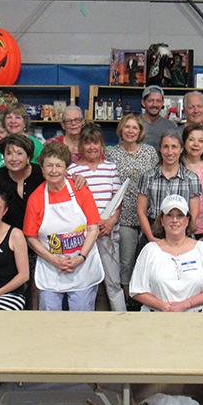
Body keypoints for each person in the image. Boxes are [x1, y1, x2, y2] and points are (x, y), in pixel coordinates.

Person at [23, 142, 105, 311]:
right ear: (42, 169)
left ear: (66, 168)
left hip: (82, 267)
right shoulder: (36, 198)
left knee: (81, 320)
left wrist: (80, 257)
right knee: (50, 320)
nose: (54, 170)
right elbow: (30, 237)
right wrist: (54, 260)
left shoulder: (80, 189)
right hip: (51, 270)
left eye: (58, 165)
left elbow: (93, 228)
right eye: (49, 166)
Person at [69, 125, 127, 311]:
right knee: (85, 283)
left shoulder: (110, 168)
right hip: (84, 236)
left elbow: (117, 200)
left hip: (107, 232)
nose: (92, 147)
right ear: (80, 145)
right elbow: (71, 205)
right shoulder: (72, 171)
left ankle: (121, 319)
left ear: (102, 145)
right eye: (87, 143)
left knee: (113, 281)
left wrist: (111, 222)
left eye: (95, 142)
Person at [129, 195, 203, 312]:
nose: (175, 220)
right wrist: (164, 307)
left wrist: (186, 305)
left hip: (194, 319)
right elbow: (137, 290)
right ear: (162, 220)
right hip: (156, 317)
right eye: (169, 215)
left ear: (187, 220)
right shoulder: (150, 250)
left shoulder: (202, 248)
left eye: (180, 215)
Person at [105, 114, 159, 304]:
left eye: (134, 128)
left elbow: (156, 179)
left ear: (140, 131)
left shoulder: (150, 152)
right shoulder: (112, 153)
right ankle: (128, 300)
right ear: (121, 129)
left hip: (148, 214)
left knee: (147, 261)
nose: (130, 131)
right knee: (126, 261)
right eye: (127, 127)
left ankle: (148, 299)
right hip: (124, 215)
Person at [137, 132, 201, 243]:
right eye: (165, 147)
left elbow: (193, 213)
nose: (170, 152)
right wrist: (151, 237)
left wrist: (183, 237)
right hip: (153, 233)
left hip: (180, 233)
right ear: (160, 149)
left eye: (174, 147)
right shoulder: (148, 177)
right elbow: (141, 211)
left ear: (181, 149)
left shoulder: (191, 178)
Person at [0, 133, 45, 229]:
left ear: (28, 157)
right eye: (8, 154)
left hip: (40, 233)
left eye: (19, 153)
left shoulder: (41, 174)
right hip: (8, 235)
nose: (14, 159)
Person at [0, 104, 43, 174]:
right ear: (4, 122)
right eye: (9, 117)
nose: (13, 121)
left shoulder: (37, 146)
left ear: (25, 122)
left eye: (17, 117)